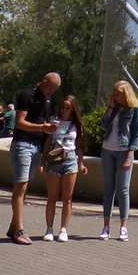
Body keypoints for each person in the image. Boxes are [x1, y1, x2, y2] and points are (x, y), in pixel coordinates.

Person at [7, 72, 60, 245]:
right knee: (20, 186)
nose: (51, 93)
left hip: (36, 146)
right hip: (23, 144)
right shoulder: (26, 95)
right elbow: (20, 122)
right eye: (50, 89)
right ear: (44, 82)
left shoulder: (47, 99)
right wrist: (41, 127)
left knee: (25, 187)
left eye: (54, 91)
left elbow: (43, 122)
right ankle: (19, 230)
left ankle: (13, 226)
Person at [99, 80, 138, 242]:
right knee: (108, 189)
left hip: (124, 151)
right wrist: (110, 107)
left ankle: (123, 227)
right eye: (114, 93)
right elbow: (103, 125)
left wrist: (130, 155)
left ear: (125, 94)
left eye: (117, 93)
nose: (114, 96)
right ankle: (106, 227)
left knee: (123, 190)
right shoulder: (114, 107)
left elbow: (137, 133)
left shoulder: (135, 109)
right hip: (107, 150)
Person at [41, 95, 88, 242]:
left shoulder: (77, 125)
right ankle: (49, 229)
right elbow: (48, 142)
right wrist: (43, 162)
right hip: (55, 160)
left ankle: (63, 229)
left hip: (70, 161)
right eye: (63, 107)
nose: (64, 110)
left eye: (68, 108)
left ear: (73, 109)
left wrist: (81, 163)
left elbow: (79, 147)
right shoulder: (54, 122)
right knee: (52, 197)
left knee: (67, 198)